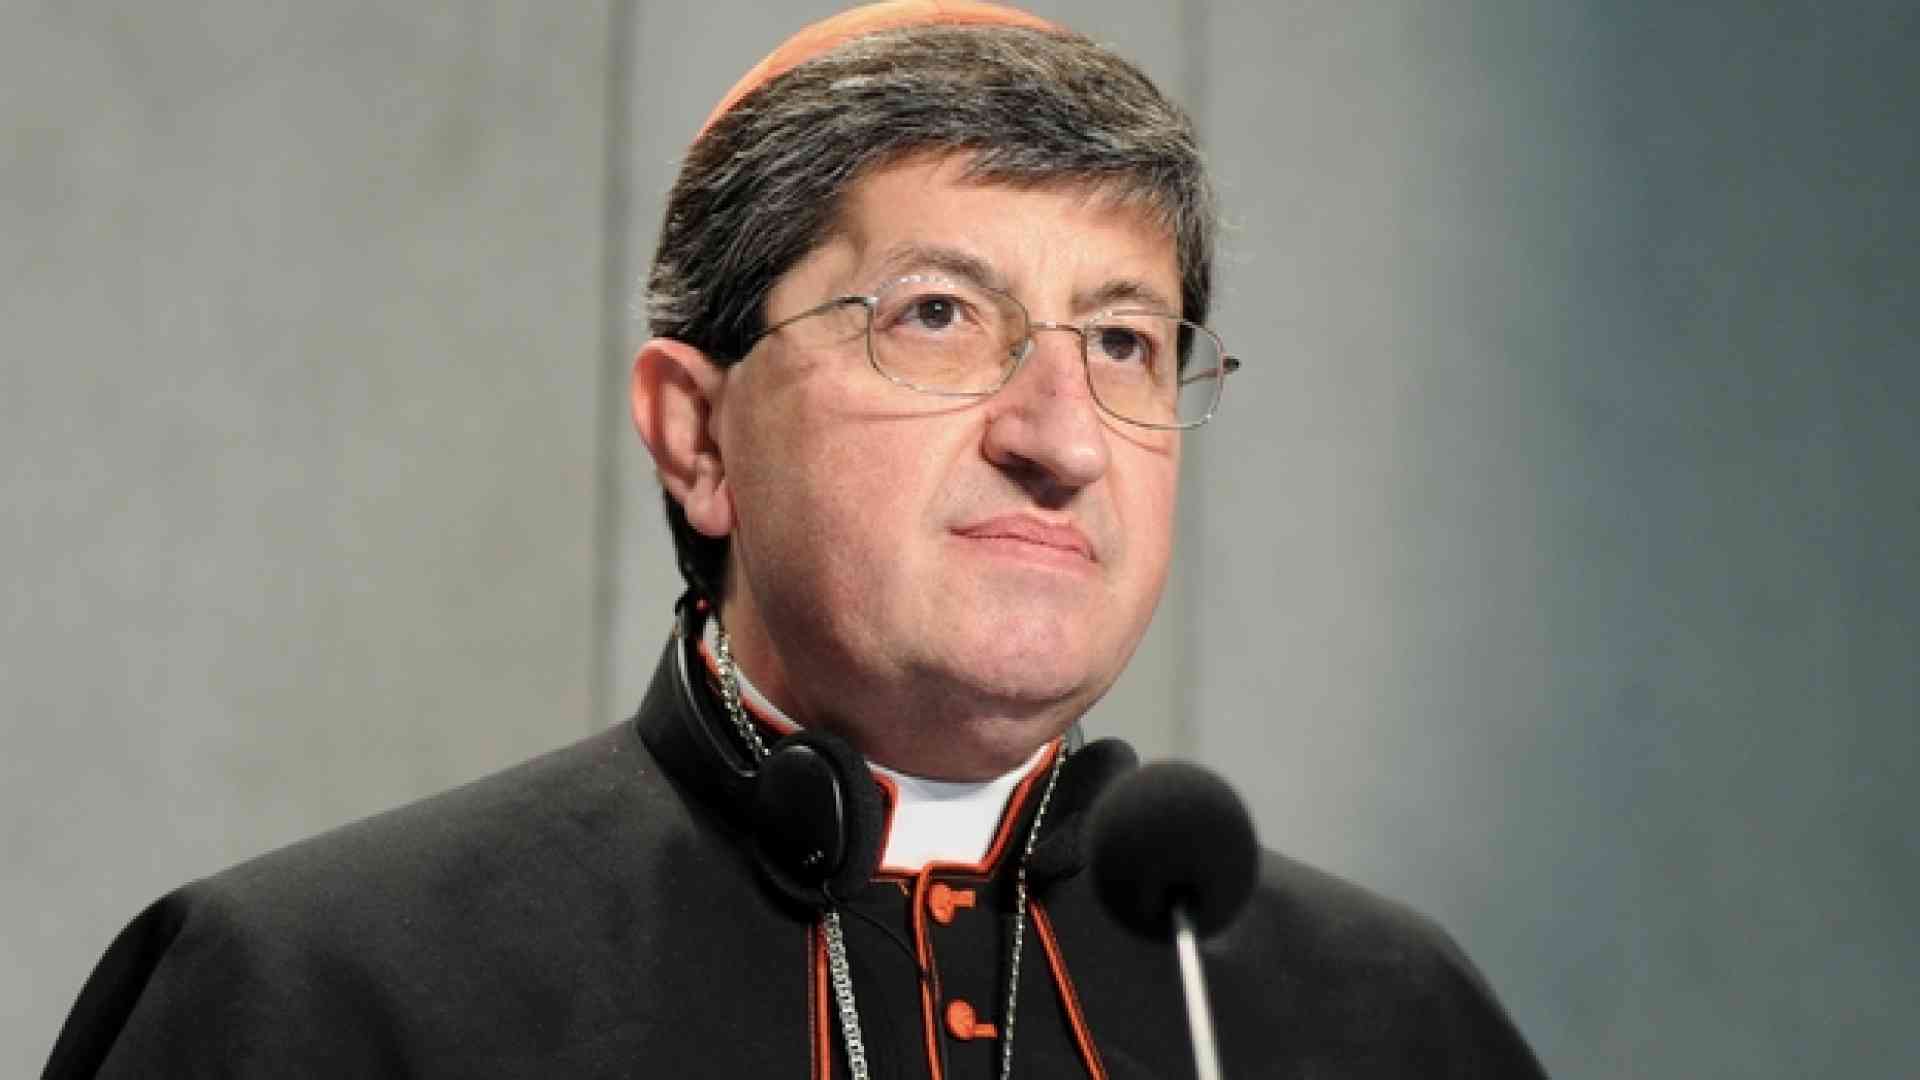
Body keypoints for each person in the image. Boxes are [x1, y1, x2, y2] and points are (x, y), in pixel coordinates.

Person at [45, 3, 1546, 1076]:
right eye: (939, 315)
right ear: (698, 437)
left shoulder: (1384, 1020)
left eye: (1124, 342)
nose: (1064, 437)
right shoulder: (322, 998)